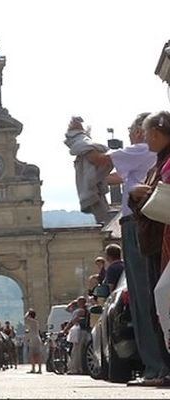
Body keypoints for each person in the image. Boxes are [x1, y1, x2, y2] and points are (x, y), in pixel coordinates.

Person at [84, 112, 170, 384]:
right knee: (149, 296)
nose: (140, 136)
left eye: (142, 131)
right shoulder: (153, 156)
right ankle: (156, 365)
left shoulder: (142, 151)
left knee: (146, 297)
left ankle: (157, 366)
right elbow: (111, 176)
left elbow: (98, 161)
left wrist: (77, 137)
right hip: (144, 224)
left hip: (143, 225)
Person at [129, 111, 170, 386]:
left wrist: (146, 193)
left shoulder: (164, 163)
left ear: (156, 133)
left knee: (162, 301)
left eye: (147, 134)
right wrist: (137, 195)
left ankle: (165, 369)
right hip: (158, 240)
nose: (144, 139)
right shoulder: (159, 162)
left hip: (163, 239)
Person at [63, 296, 89, 375]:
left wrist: (65, 330)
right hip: (82, 331)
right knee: (78, 350)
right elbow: (68, 309)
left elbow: (73, 321)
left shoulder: (80, 311)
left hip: (80, 332)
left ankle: (76, 368)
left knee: (77, 351)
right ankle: (78, 368)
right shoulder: (84, 310)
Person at [24, 309, 42, 374]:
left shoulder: (32, 321)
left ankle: (33, 369)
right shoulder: (36, 322)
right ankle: (39, 369)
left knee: (32, 355)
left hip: (33, 340)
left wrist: (28, 312)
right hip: (37, 339)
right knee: (38, 355)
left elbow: (25, 318)